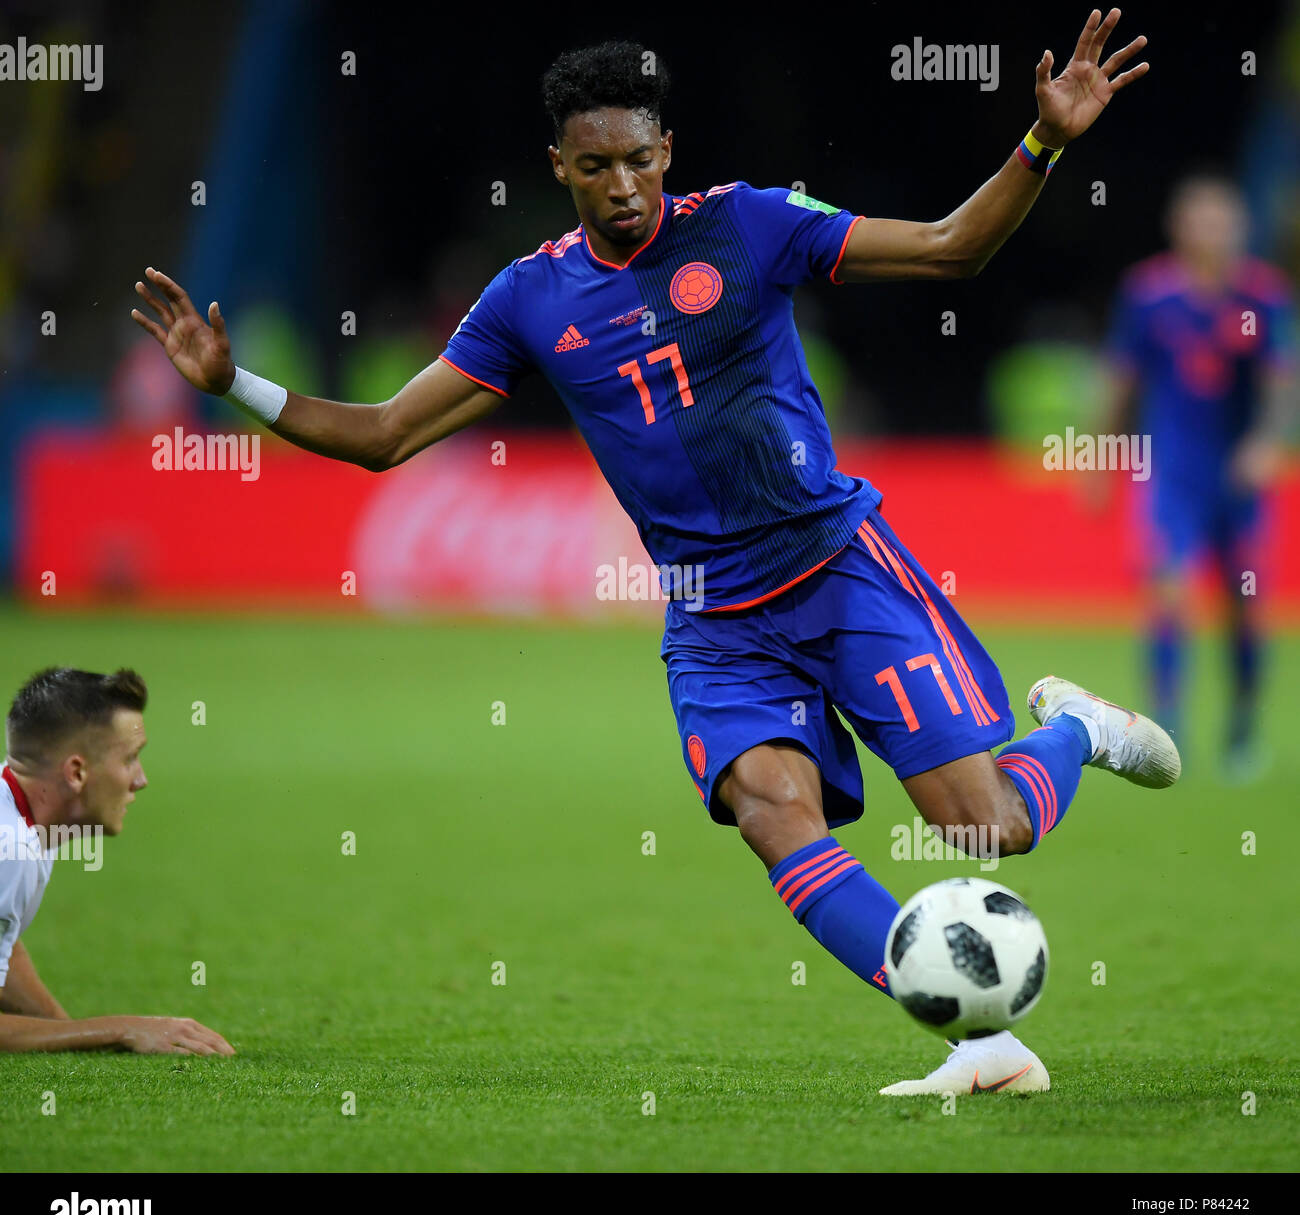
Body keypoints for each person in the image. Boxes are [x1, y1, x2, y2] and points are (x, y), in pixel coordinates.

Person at [131, 12, 1168, 1094]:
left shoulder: (752, 226)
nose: (620, 184)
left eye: (637, 159)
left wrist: (1042, 142)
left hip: (840, 568)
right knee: (772, 811)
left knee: (983, 831)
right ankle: (979, 1040)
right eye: (594, 167)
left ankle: (1076, 730)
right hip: (718, 620)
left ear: (666, 151)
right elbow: (387, 433)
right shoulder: (529, 298)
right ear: (559, 169)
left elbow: (954, 244)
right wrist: (233, 386)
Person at [1101, 173, 1296, 778]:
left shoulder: (1262, 296)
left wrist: (1266, 444)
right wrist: (1097, 458)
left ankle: (1241, 728)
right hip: (1171, 478)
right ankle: (1165, 729)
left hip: (1237, 483)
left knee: (1243, 604)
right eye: (1201, 219)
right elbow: (1120, 380)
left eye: (1223, 219)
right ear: (1178, 227)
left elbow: (1281, 382)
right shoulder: (1148, 294)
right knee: (1168, 591)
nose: (1212, 230)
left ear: (1239, 227)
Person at [0, 667, 235, 1055]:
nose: (140, 779)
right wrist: (118, 1029)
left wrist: (64, 1030)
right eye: (130, 759)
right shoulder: (11, 848)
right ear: (76, 772)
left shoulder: (28, 817)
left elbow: (4, 945)